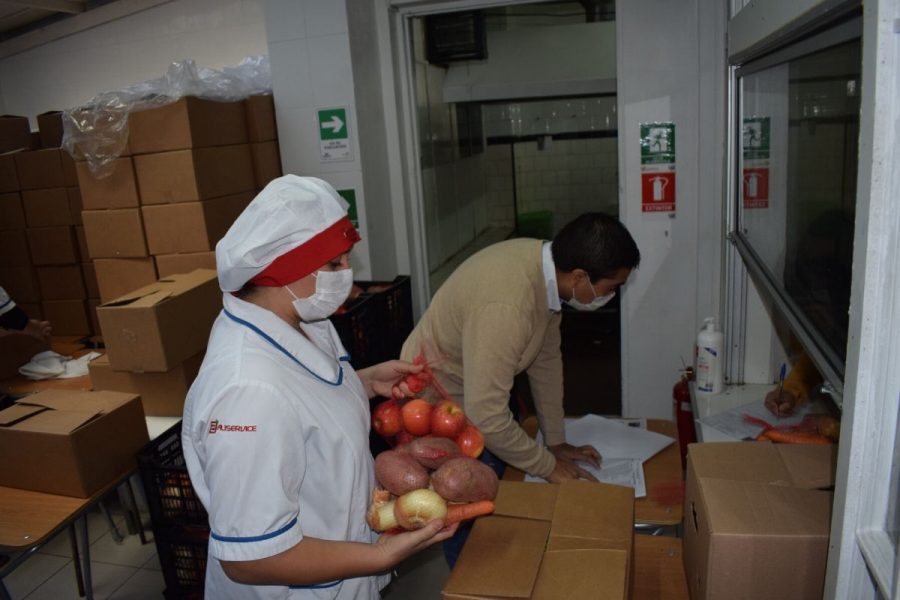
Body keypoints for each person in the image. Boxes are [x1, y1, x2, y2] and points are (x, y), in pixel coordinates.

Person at [181, 175, 457, 599]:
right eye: (333, 264)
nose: (347, 274)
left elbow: (305, 406)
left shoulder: (306, 320)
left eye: (346, 259)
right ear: (282, 269)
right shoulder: (247, 392)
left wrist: (364, 382)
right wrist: (381, 555)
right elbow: (249, 560)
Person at [401, 212, 640, 482]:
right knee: (464, 488)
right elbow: (487, 417)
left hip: (473, 389)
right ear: (579, 277)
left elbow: (546, 361)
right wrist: (548, 466)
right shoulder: (507, 307)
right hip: (434, 397)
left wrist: (556, 442)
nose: (611, 296)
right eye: (611, 288)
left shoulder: (547, 273)